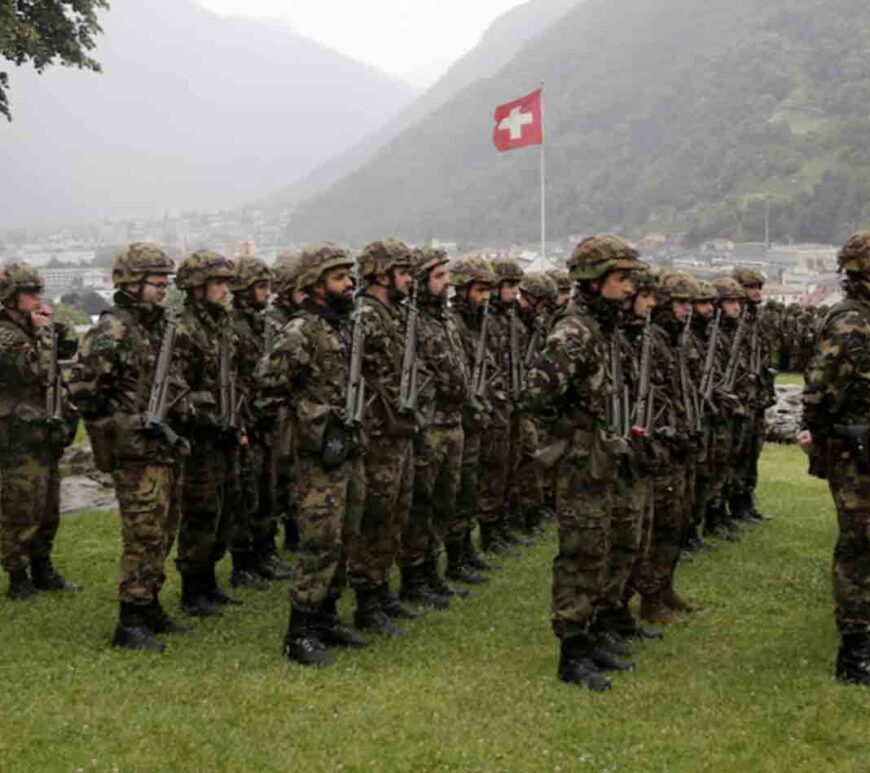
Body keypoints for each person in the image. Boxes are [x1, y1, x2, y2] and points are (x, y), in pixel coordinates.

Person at [521, 234, 643, 692]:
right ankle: (572, 651)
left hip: (600, 458)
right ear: (593, 280)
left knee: (601, 549)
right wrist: (569, 441)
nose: (629, 287)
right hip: (581, 462)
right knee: (580, 554)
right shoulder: (573, 331)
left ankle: (588, 637)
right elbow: (536, 395)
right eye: (621, 277)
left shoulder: (600, 327)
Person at [69, 243, 190, 652]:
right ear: (132, 284)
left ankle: (150, 602)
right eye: (157, 284)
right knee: (142, 534)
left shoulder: (155, 327)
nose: (162, 291)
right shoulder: (113, 330)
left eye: (165, 283)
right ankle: (131, 619)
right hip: (136, 452)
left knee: (164, 529)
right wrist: (122, 426)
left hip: (163, 447)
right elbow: (84, 390)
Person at [256, 243, 367, 666]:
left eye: (349, 276)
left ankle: (326, 616)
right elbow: (267, 384)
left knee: (347, 535)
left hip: (349, 448)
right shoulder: (301, 331)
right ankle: (299, 630)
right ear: (315, 284)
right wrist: (309, 420)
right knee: (319, 540)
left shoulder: (341, 327)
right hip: (318, 454)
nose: (349, 283)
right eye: (339, 277)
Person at [800, 232, 870, 686]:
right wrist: (823, 437)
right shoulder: (851, 322)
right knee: (859, 545)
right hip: (855, 449)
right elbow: (820, 387)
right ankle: (855, 649)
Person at [346, 239, 420, 635]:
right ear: (381, 273)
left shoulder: (392, 315)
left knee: (394, 515)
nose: (409, 280)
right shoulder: (364, 317)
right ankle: (366, 598)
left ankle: (381, 587)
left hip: (398, 433)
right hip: (376, 436)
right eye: (403, 272)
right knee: (374, 518)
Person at [0, 262, 80, 599]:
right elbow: (33, 368)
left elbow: (70, 346)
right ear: (10, 296)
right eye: (29, 293)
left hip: (44, 432)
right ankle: (18, 576)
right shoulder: (5, 335)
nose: (36, 298)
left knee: (48, 507)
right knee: (21, 508)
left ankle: (43, 567)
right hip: (17, 436)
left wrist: (53, 324)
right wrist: (45, 334)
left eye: (38, 292)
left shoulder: (36, 327)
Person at [400, 247, 470, 607]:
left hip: (452, 421)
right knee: (421, 504)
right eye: (439, 276)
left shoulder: (445, 319)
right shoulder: (411, 322)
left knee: (445, 500)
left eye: (447, 275)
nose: (447, 282)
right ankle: (413, 577)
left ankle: (432, 570)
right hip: (428, 425)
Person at [230, 254, 292, 586]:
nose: (267, 293)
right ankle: (244, 563)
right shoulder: (234, 329)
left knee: (268, 492)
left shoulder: (262, 324)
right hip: (247, 423)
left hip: (267, 422)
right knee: (247, 496)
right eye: (261, 287)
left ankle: (265, 553)